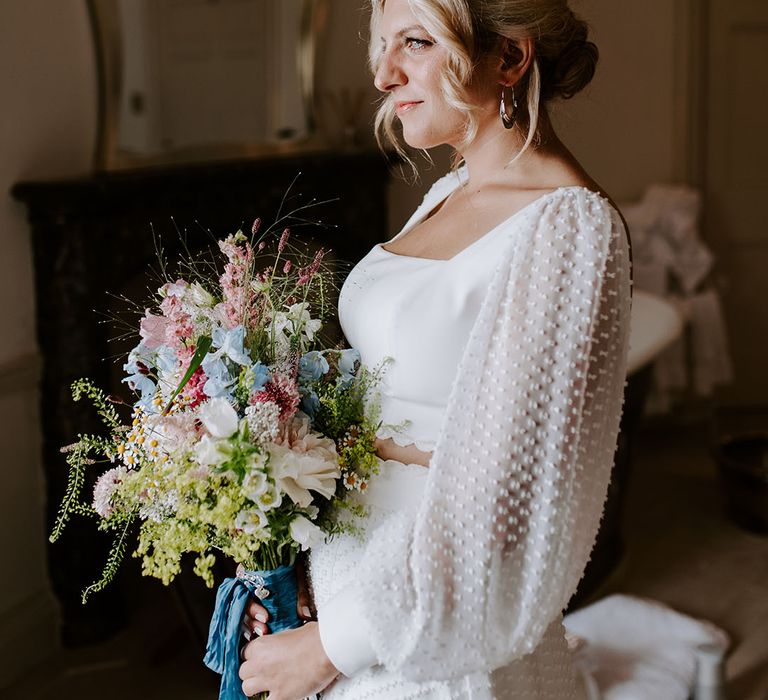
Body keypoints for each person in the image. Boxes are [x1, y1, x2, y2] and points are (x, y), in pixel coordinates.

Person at [238, 0, 632, 697]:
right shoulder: (451, 191)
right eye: (382, 46)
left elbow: (509, 500)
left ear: (509, 57)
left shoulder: (570, 228)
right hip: (342, 573)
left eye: (414, 43)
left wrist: (335, 645)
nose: (385, 75)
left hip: (426, 626)